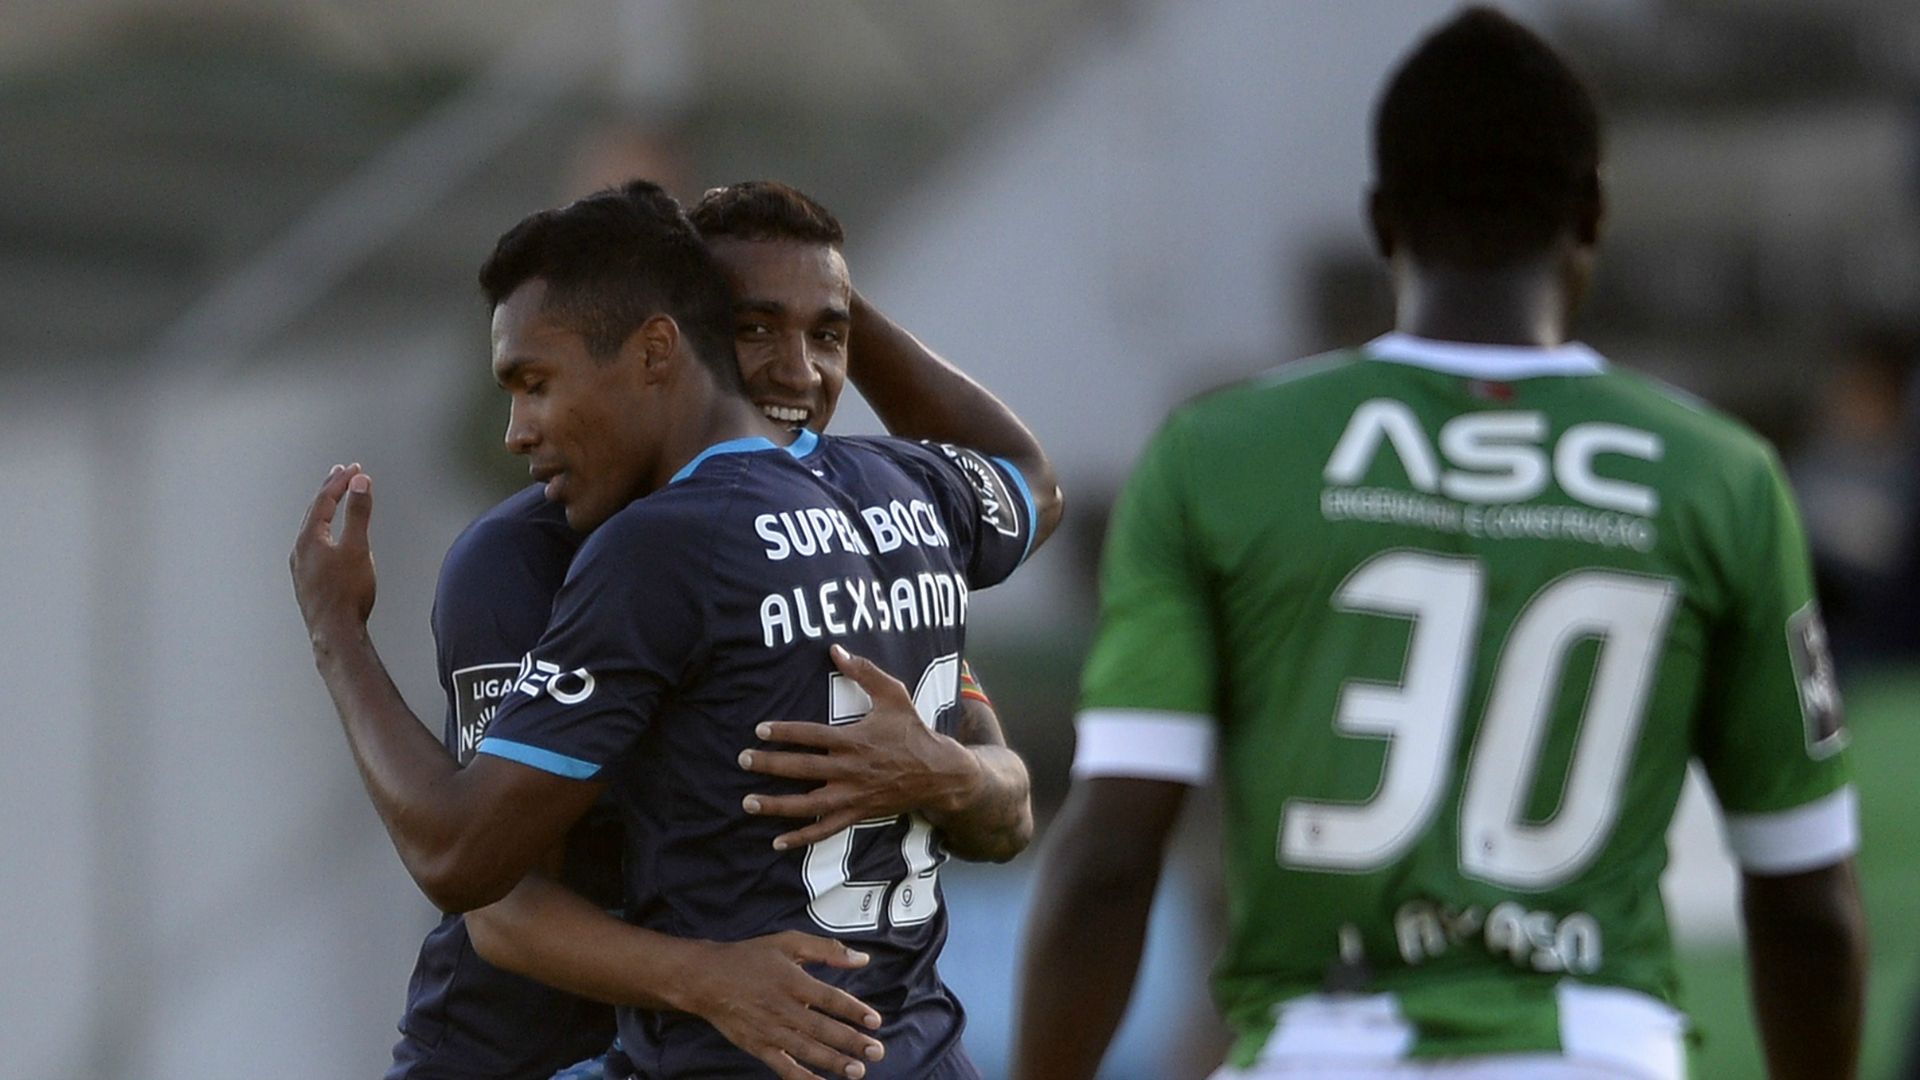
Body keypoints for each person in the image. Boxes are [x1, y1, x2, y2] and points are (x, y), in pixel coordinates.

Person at [1013, 9, 1865, 1080]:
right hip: (1593, 1053)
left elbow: (1107, 858)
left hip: (1318, 1047)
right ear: (1593, 209)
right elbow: (1806, 904)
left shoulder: (1217, 454)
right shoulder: (1720, 475)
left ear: (1381, 220)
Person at [291, 179, 1061, 1079]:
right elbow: (505, 907)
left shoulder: (808, 518)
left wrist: (950, 772)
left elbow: (1005, 811)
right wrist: (706, 978)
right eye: (752, 328)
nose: (797, 372)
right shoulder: (525, 559)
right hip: (536, 1052)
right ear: (681, 339)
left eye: (828, 332)